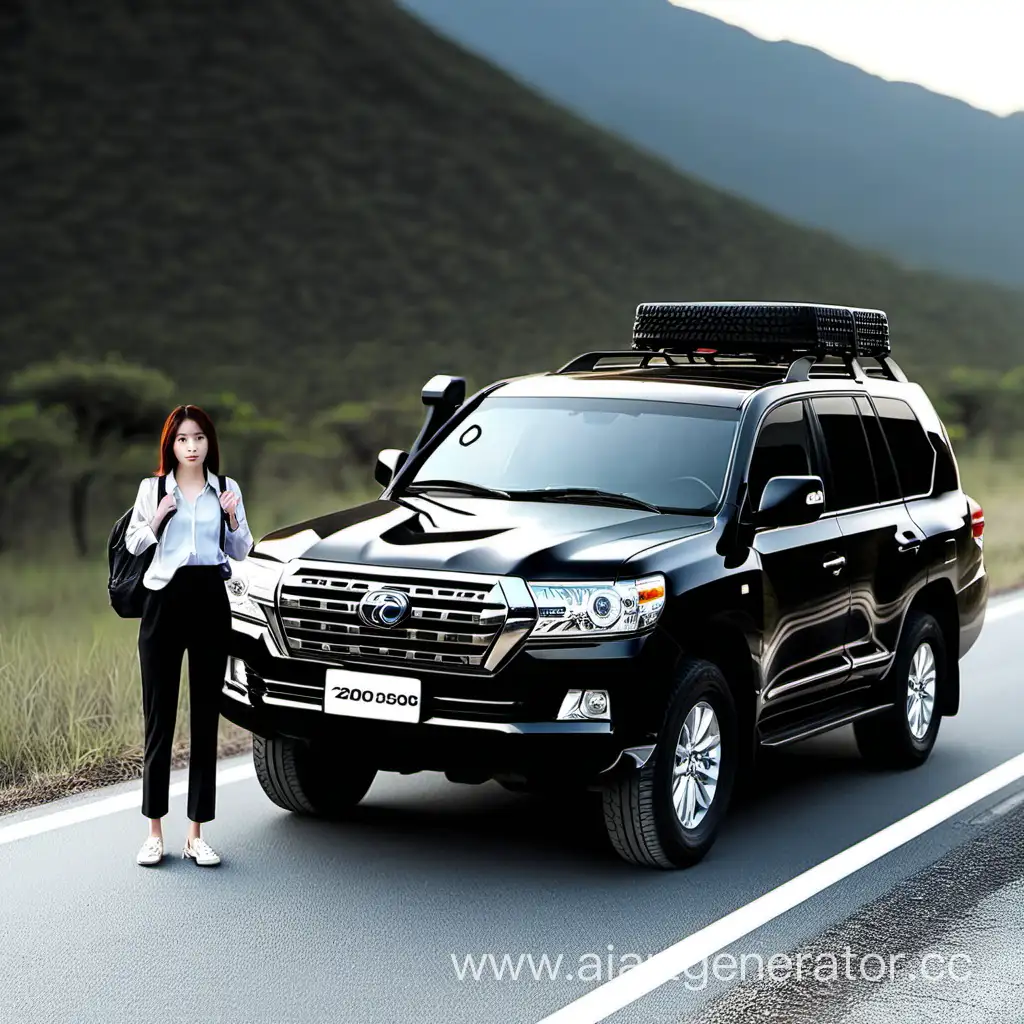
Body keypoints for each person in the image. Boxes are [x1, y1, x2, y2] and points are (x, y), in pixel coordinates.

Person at [124, 404, 254, 867]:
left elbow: (242, 550)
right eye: (183, 439)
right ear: (171, 444)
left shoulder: (227, 487)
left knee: (205, 718)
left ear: (208, 442)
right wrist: (159, 516)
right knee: (159, 718)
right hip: (163, 601)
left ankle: (196, 833)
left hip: (209, 600)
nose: (192, 446)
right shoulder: (152, 488)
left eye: (198, 437)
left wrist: (234, 519)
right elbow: (135, 543)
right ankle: (154, 830)